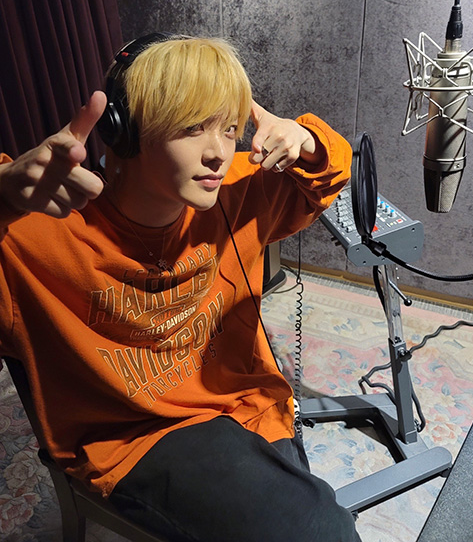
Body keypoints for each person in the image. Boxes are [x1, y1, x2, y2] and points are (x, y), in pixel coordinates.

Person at [0, 33, 360, 541]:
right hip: (138, 434)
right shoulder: (36, 231)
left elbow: (332, 170)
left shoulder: (234, 189)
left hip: (243, 400)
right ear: (124, 131)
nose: (218, 153)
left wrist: (307, 140)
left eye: (229, 128)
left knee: (314, 512)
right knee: (319, 527)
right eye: (192, 128)